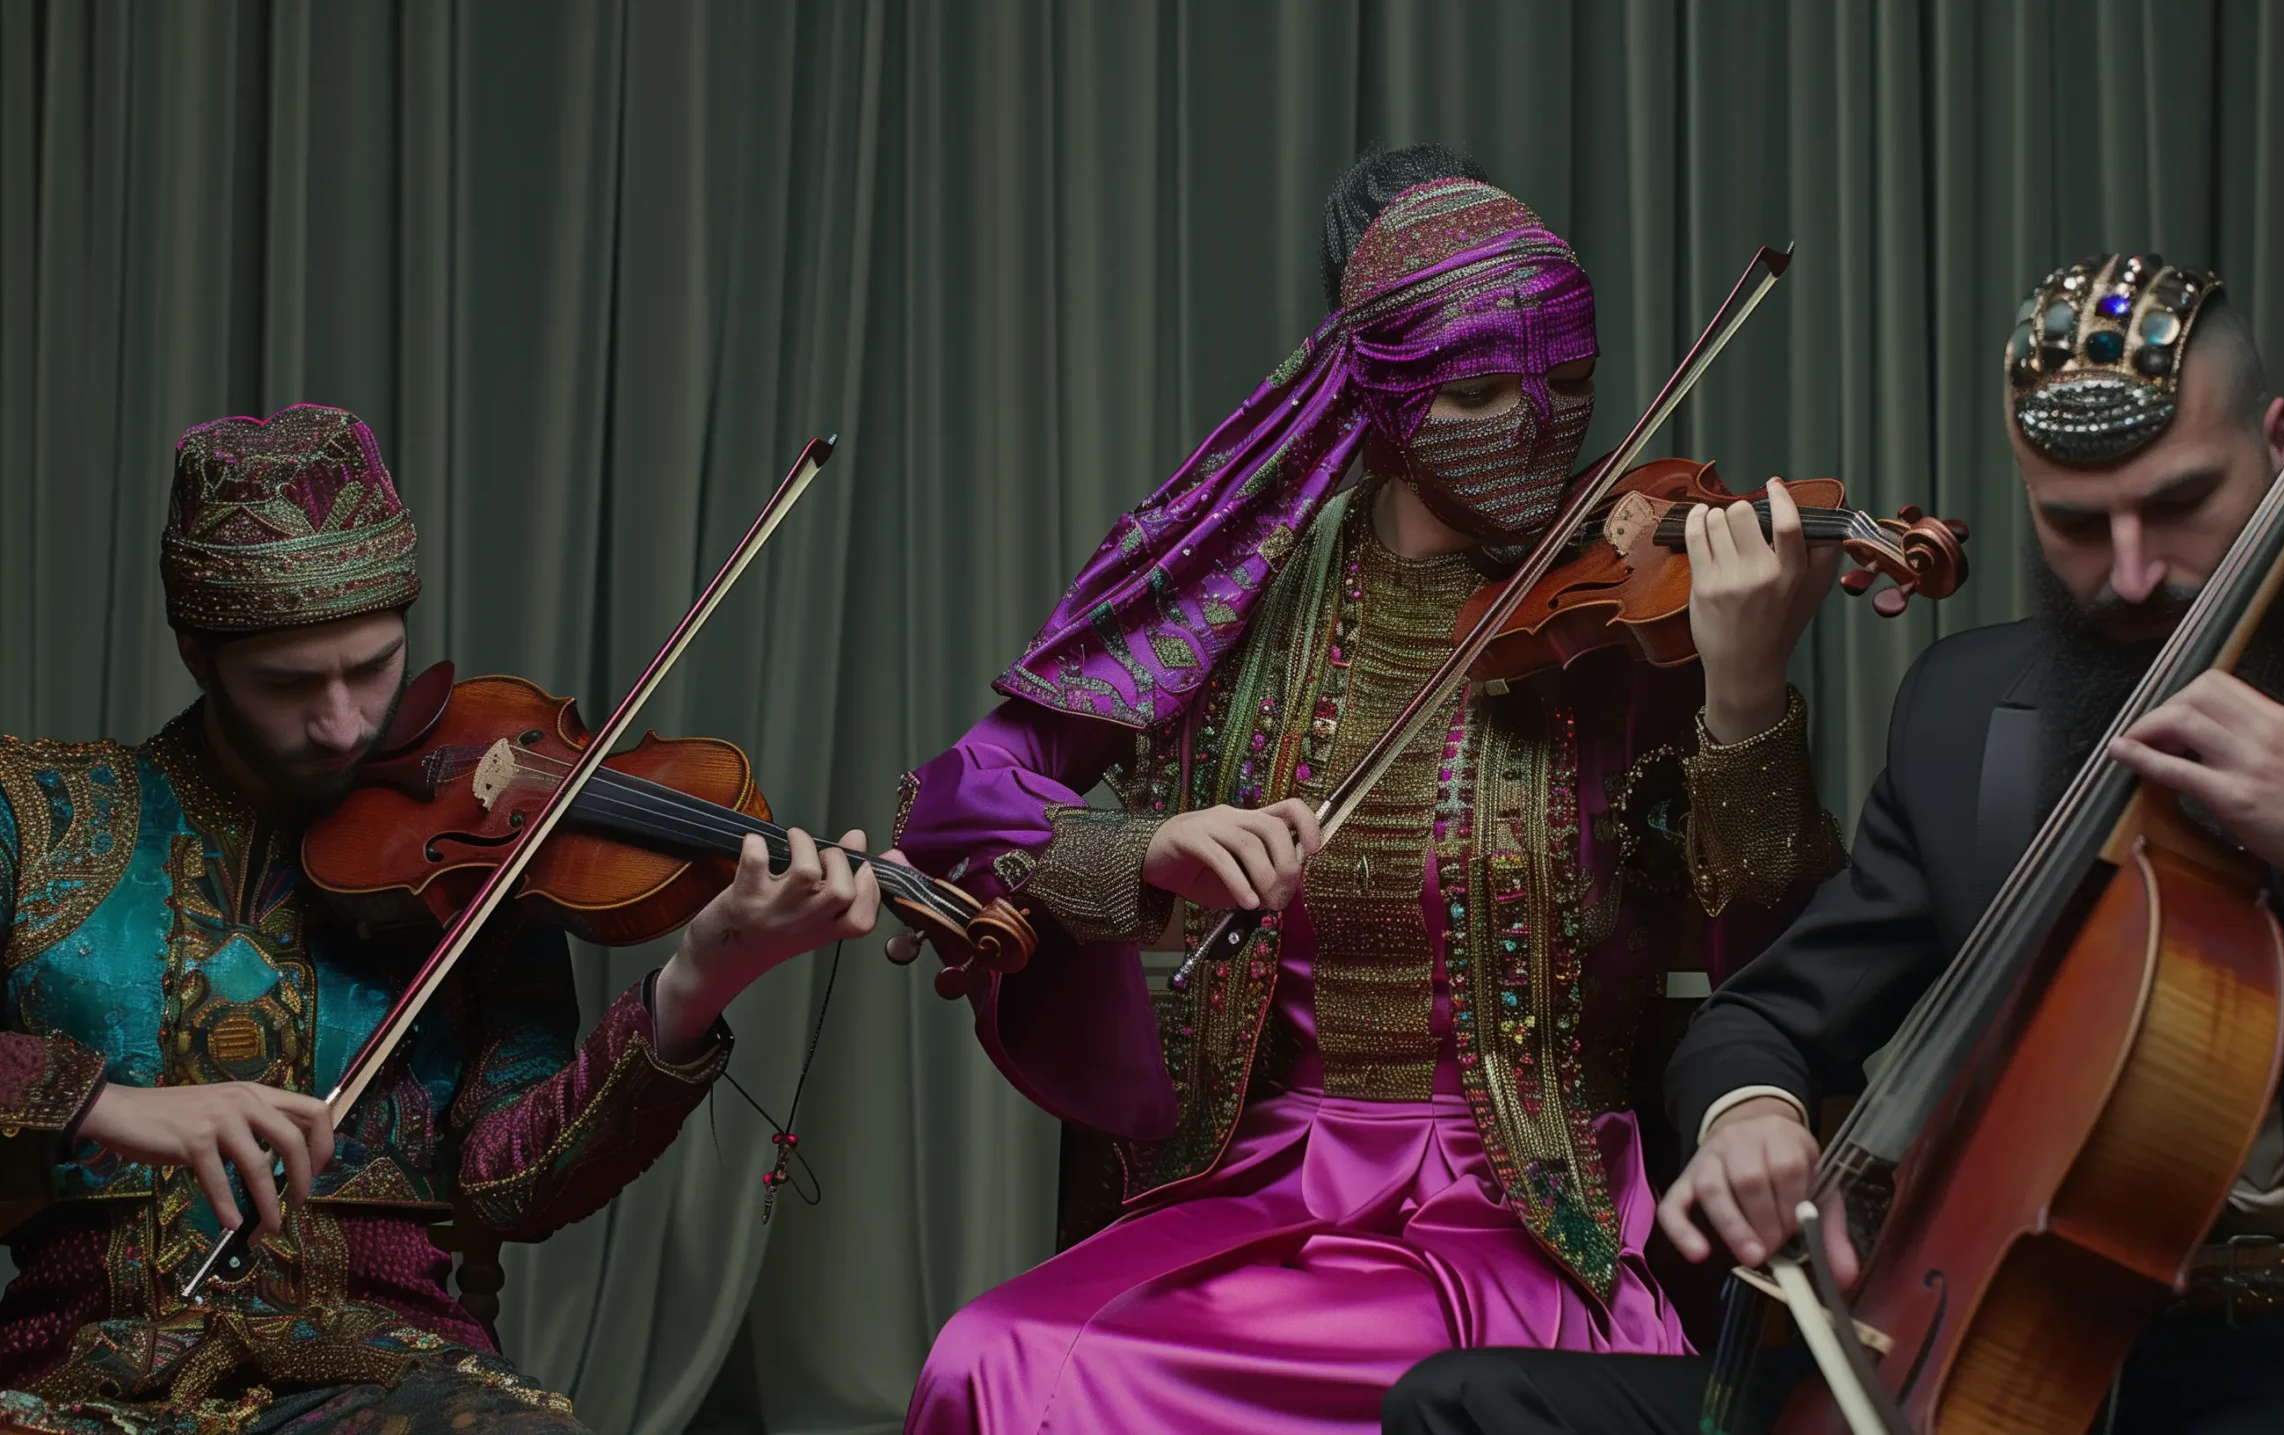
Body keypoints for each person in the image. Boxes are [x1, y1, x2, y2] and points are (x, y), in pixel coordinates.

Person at [1384, 256, 2284, 1432]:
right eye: (2075, 524)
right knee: (1466, 1404)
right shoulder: (1966, 705)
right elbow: (1767, 1013)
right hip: (1970, 1345)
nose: (2134, 573)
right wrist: (1752, 1113)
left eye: (2181, 502)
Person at [886, 145, 1850, 1434]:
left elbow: (1782, 972)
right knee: (991, 1357)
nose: (1535, 426)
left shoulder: (1646, 606)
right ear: (1377, 395)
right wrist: (1145, 846)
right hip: (1259, 1188)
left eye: (1569, 382)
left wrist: (1746, 698)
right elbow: (954, 805)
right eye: (1476, 394)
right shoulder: (1239, 580)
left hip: (1524, 1207)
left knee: (1443, 1400)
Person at [0, 405, 883, 1433]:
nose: (342, 722)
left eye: (374, 666)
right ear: (198, 653)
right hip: (79, 1374)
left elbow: (515, 1185)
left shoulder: (475, 858)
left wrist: (697, 985)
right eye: (289, 683)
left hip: (386, 1375)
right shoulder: (37, 816)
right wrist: (103, 1102)